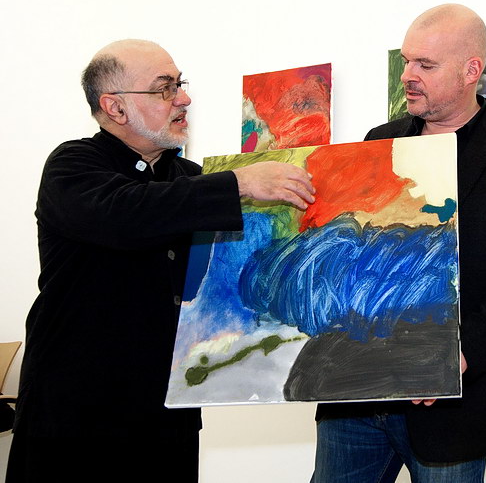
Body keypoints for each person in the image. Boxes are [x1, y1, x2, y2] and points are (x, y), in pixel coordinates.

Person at [6, 39, 315, 483]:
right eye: (164, 88)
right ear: (115, 107)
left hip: (166, 418)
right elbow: (128, 214)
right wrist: (239, 183)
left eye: (180, 84)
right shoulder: (72, 166)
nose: (183, 99)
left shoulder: (189, 178)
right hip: (78, 418)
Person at [312, 4, 486, 482]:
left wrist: (456, 355)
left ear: (471, 71)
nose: (407, 75)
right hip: (354, 397)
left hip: (453, 408)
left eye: (425, 65)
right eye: (407, 60)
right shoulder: (379, 140)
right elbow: (357, 253)